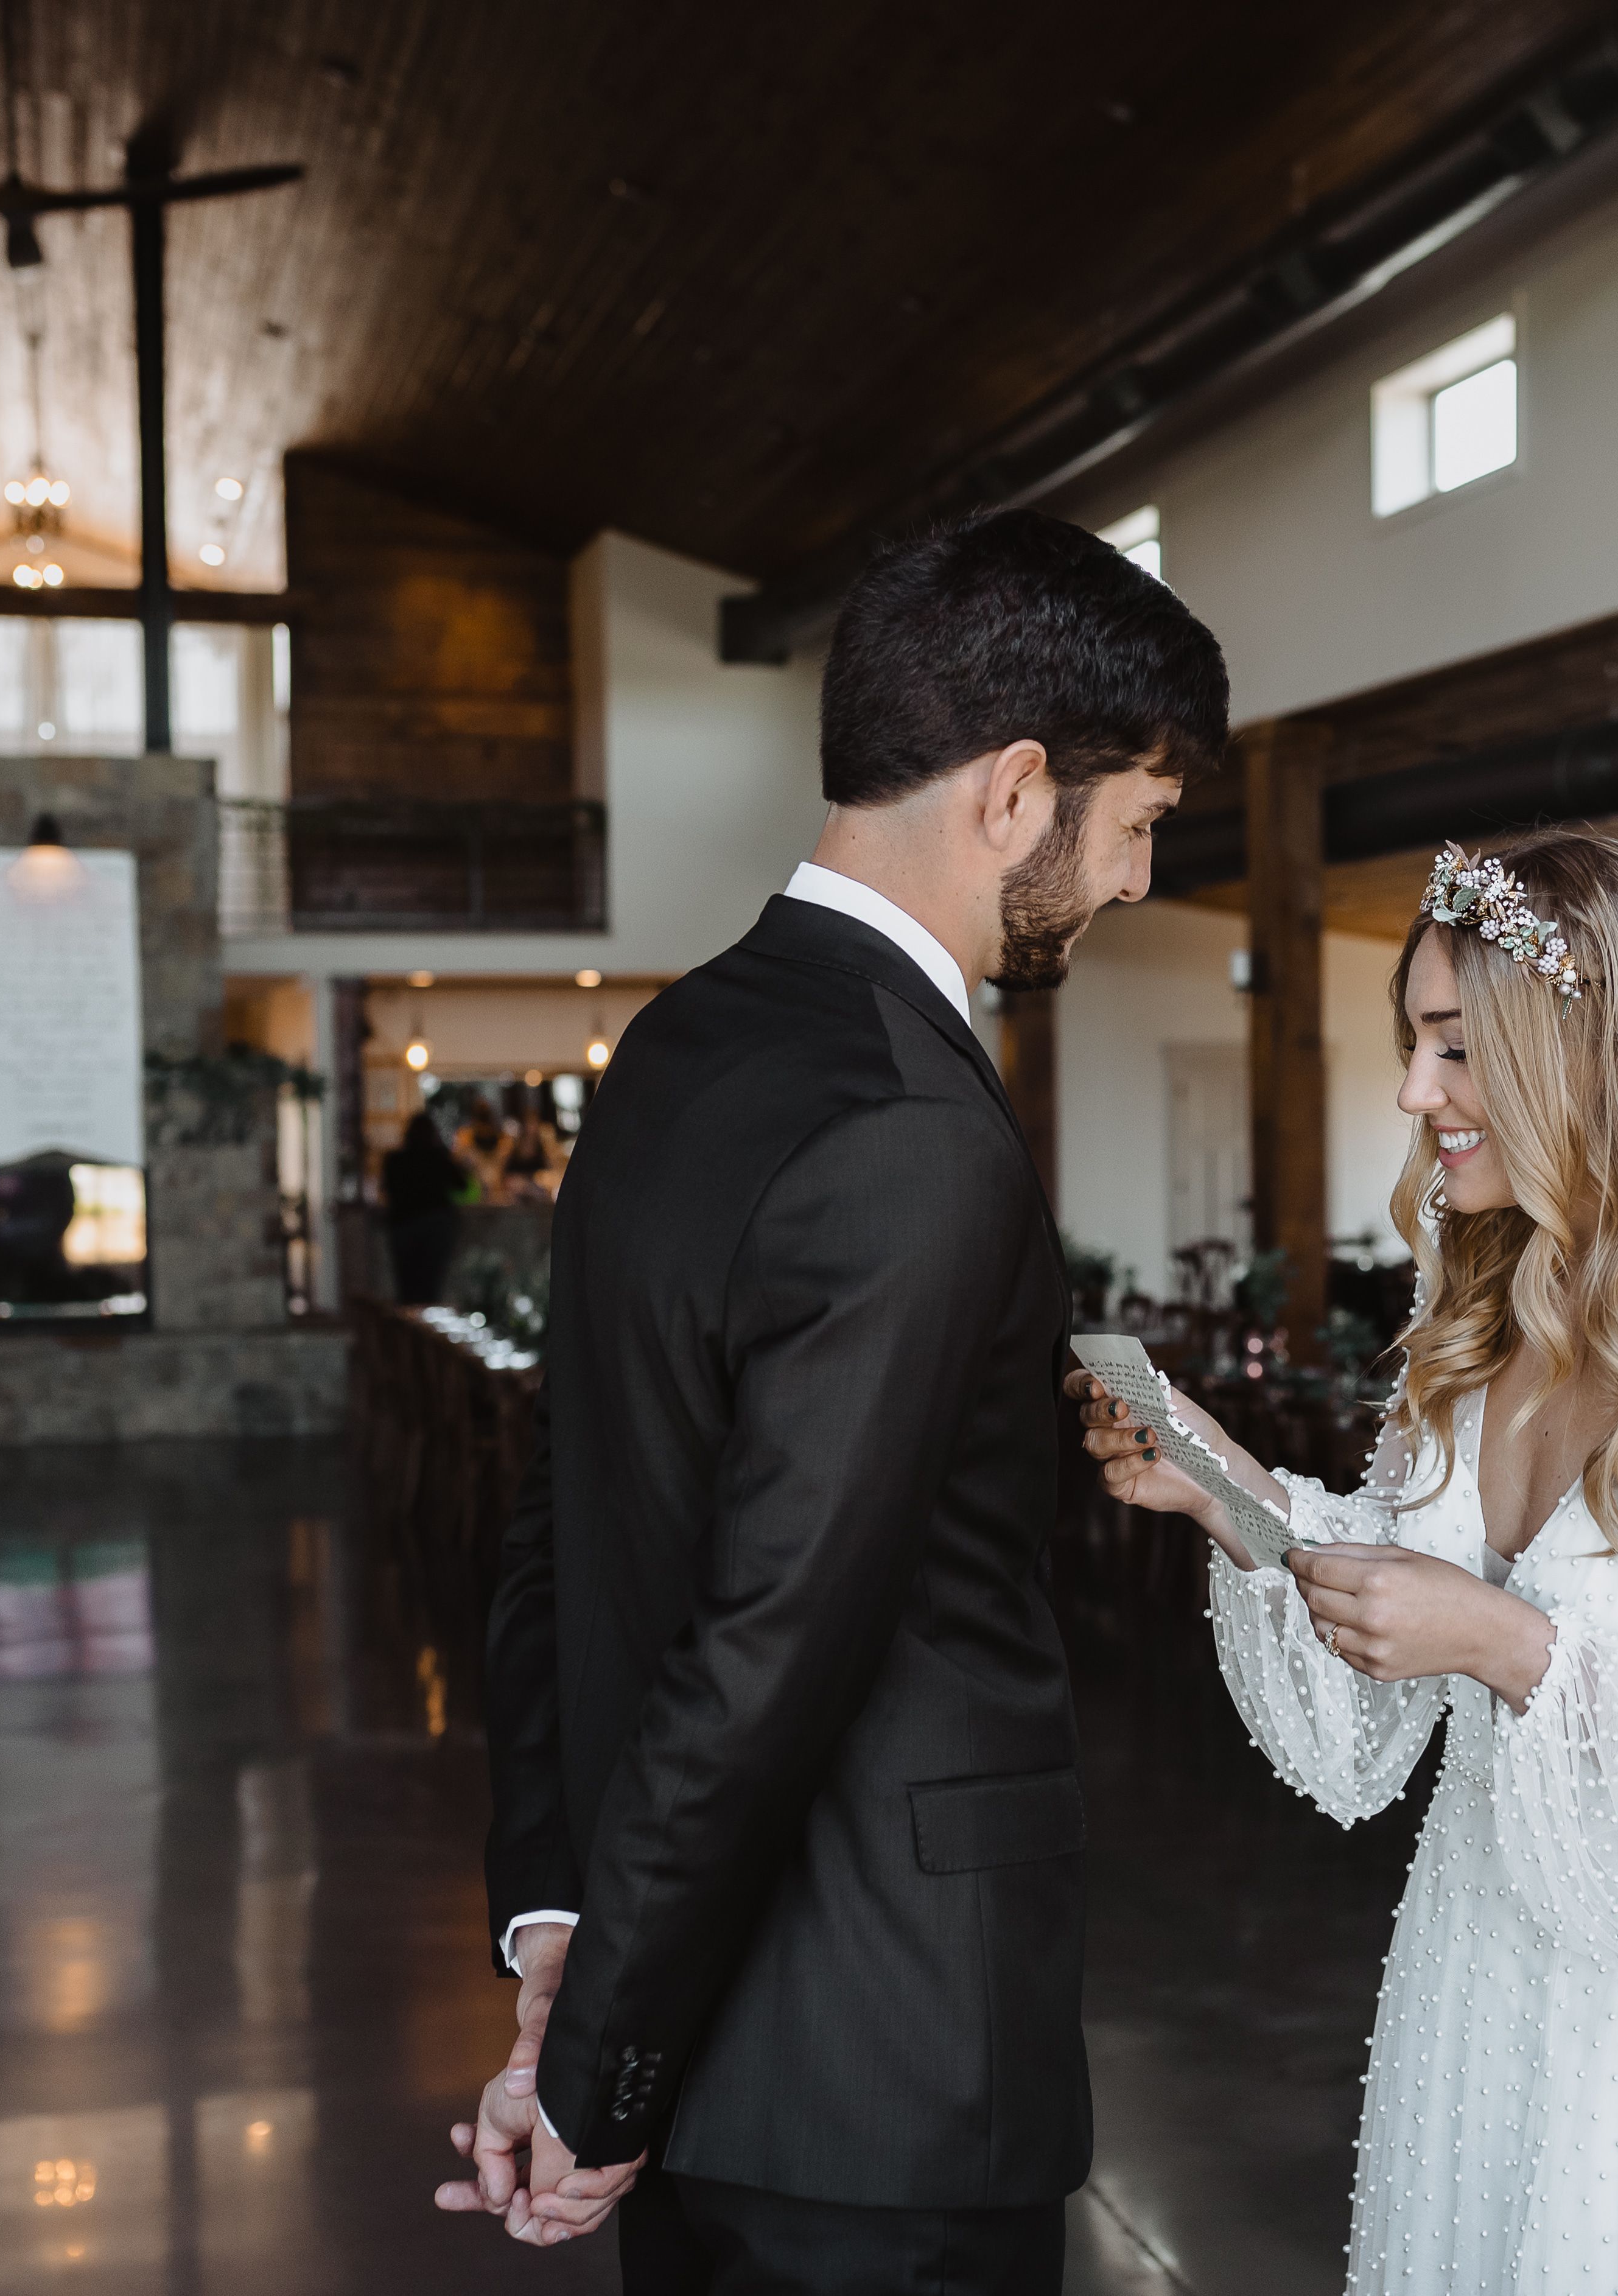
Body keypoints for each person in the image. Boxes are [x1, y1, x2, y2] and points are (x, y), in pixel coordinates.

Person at [440, 508, 1226, 2292]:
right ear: (1016, 790)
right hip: (883, 2073)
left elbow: (561, 1517)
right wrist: (593, 2063)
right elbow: (774, 1640)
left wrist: (560, 1930)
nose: (1132, 882)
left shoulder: (672, 1044)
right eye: (1139, 823)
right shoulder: (911, 1124)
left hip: (692, 2046)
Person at [1073, 831, 1618, 2294]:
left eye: (1455, 1048)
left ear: (1590, 1053)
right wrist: (1225, 1487)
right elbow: (1391, 1628)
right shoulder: (1488, 1309)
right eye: (1415, 1046)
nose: (1416, 1094)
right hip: (1474, 1972)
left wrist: (1503, 1642)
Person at [378, 1110, 463, 1305]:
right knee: (430, 1285)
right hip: (436, 1226)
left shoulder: (395, 1160)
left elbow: (385, 1189)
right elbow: (461, 1184)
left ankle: (409, 1320)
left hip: (403, 1225)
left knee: (407, 1286)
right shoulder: (438, 1157)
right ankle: (424, 1318)